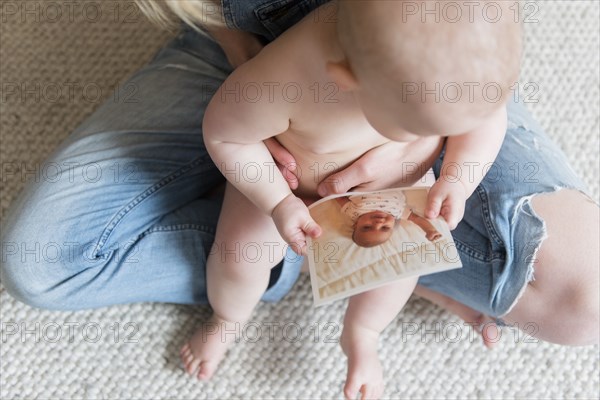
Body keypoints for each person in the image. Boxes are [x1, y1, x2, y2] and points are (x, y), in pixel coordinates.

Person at [0, 1, 597, 399]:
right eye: (413, 124)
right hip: (286, 179)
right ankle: (230, 318)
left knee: (405, 266)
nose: (429, 139)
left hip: (411, 131)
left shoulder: (451, 64)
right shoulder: (287, 78)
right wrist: (279, 203)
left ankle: (362, 331)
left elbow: (482, 116)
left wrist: (456, 176)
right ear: (346, 79)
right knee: (238, 254)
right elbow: (226, 133)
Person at [336, 190, 443, 247]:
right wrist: (429, 230)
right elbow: (416, 219)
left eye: (367, 227)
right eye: (385, 228)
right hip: (391, 176)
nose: (378, 223)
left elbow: (338, 197)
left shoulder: (354, 212)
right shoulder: (397, 212)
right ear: (392, 227)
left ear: (356, 224)